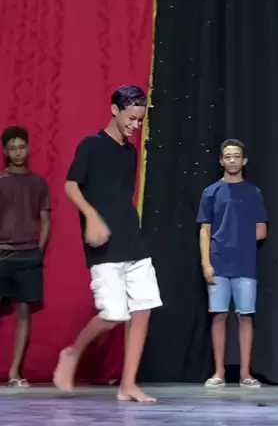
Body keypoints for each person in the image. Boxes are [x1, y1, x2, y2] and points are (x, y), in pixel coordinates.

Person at [53, 86, 161, 403]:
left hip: (133, 239)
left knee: (143, 309)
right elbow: (71, 186)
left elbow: (122, 197)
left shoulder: (131, 153)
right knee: (114, 314)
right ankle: (73, 352)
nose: (135, 125)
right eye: (131, 118)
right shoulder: (91, 146)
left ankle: (128, 383)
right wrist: (92, 218)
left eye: (140, 120)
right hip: (104, 244)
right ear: (115, 110)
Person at [197, 139, 268, 389]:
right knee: (218, 316)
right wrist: (206, 263)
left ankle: (245, 373)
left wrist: (240, 240)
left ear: (243, 161)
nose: (232, 160)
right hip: (218, 264)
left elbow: (261, 229)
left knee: (245, 316)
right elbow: (205, 230)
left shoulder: (254, 192)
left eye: (236, 156)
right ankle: (219, 372)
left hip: (245, 264)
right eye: (227, 156)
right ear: (221, 161)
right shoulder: (211, 192)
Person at [0, 127, 51, 386]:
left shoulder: (38, 183)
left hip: (28, 256)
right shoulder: (1, 182)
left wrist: (39, 250)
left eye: (21, 147)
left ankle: (14, 373)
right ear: (5, 151)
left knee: (24, 313)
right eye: (12, 148)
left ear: (28, 148)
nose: (18, 152)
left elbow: (45, 220)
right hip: (2, 255)